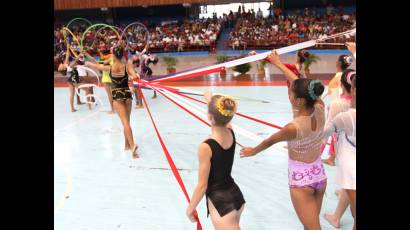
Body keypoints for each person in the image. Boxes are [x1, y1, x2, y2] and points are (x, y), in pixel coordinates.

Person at [241, 50, 327, 230]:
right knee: (310, 223)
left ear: (299, 101)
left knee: (313, 227)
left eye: (290, 93)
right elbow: (300, 84)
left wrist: (252, 151)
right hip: (319, 175)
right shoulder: (320, 107)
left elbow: (269, 141)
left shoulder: (292, 128)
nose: (289, 94)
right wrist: (277, 63)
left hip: (301, 181)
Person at [186, 92, 245, 230]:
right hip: (236, 195)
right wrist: (210, 100)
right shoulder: (230, 131)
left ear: (209, 116)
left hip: (221, 203)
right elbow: (222, 118)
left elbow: (202, 185)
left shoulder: (206, 147)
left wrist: (190, 209)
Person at [85, 43, 139, 157]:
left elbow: (97, 66)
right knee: (127, 122)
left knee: (125, 123)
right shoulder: (127, 66)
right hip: (127, 95)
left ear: (113, 56)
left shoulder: (109, 68)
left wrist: (88, 63)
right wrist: (131, 76)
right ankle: (127, 144)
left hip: (117, 97)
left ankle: (132, 144)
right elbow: (135, 77)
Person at [323, 72, 356, 230]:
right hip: (347, 144)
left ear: (343, 85)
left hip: (346, 146)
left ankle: (336, 217)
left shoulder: (338, 105)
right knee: (349, 182)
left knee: (350, 182)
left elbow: (326, 130)